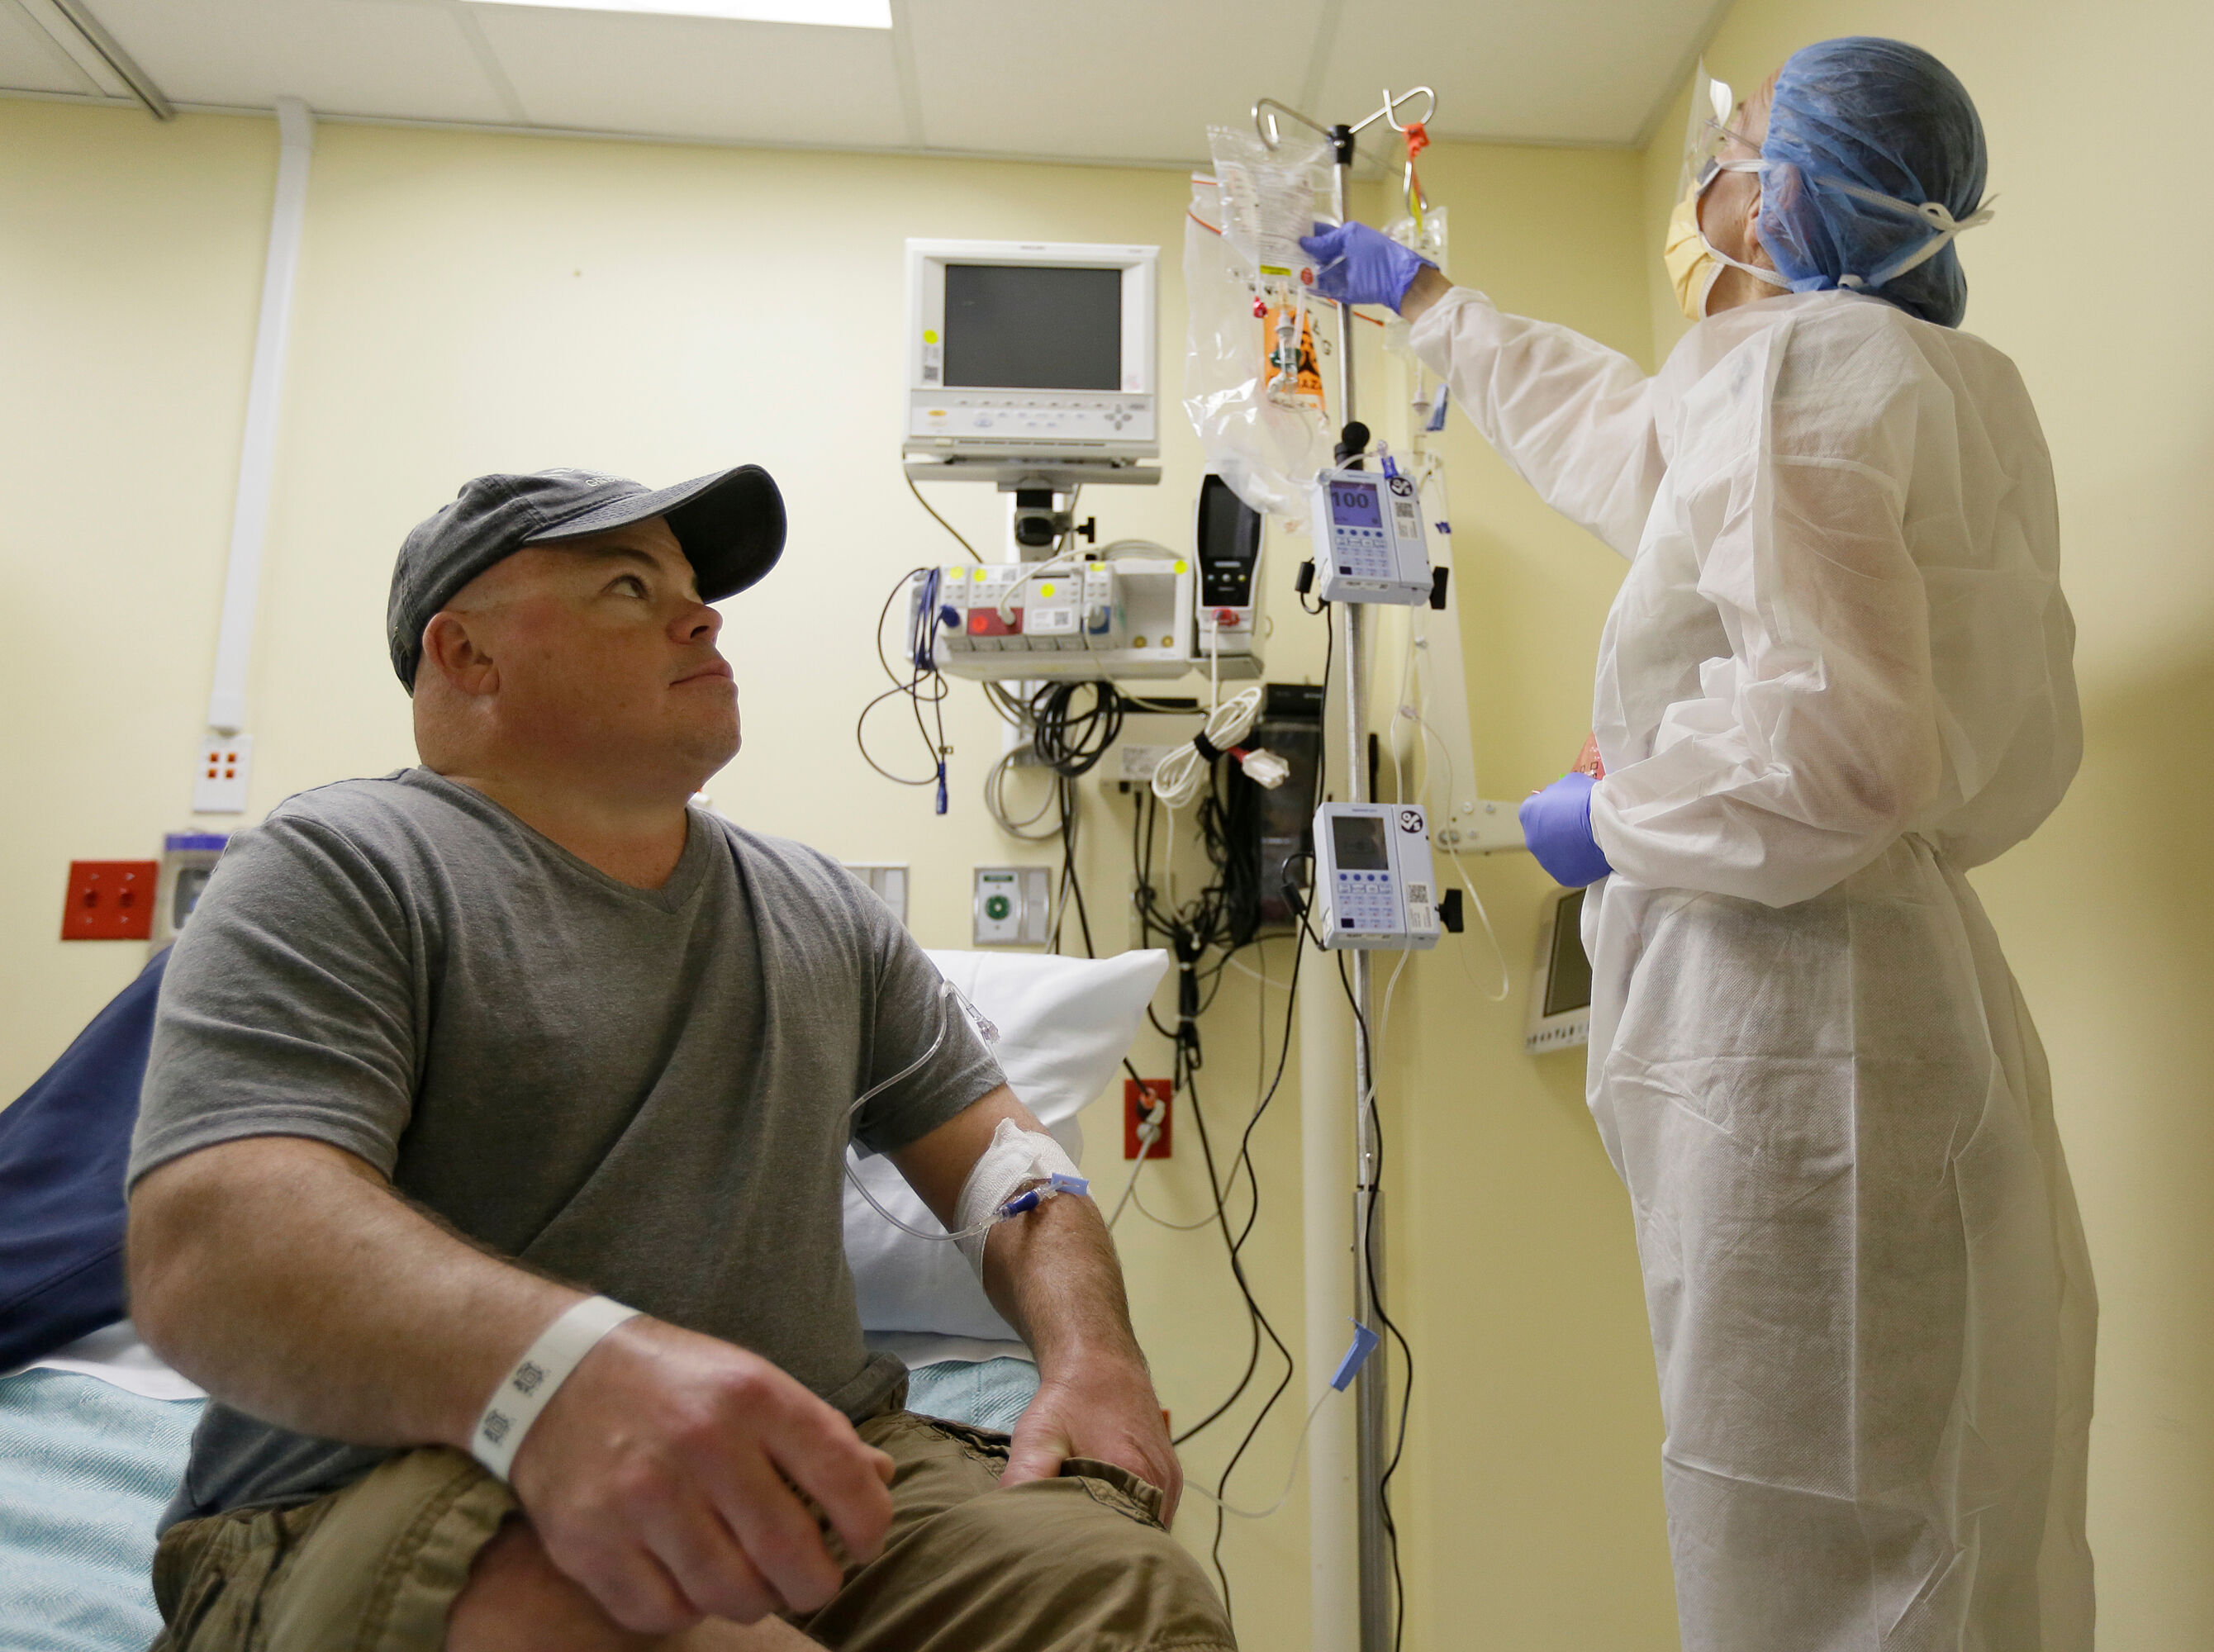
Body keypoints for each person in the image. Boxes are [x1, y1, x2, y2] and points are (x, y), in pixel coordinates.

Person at [124, 465, 1235, 1652]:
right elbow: (213, 1242)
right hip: (411, 1485)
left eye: (695, 589)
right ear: (468, 656)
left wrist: (1095, 1358)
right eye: (627, 586)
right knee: (586, 1612)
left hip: (824, 1475)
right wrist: (566, 1373)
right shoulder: (340, 868)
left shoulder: (821, 910)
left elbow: (1008, 1166)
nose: (701, 616)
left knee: (1127, 1599)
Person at [1304, 36, 2097, 1652]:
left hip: (1800, 1031)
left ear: (1794, 193)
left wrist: (1607, 818)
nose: (1710, 179)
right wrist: (1433, 305)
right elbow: (1643, 451)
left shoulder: (1794, 373)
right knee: (1957, 1515)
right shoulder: (1928, 379)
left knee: (1811, 1537)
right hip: (1903, 1005)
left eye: (1736, 151)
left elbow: (1838, 749)